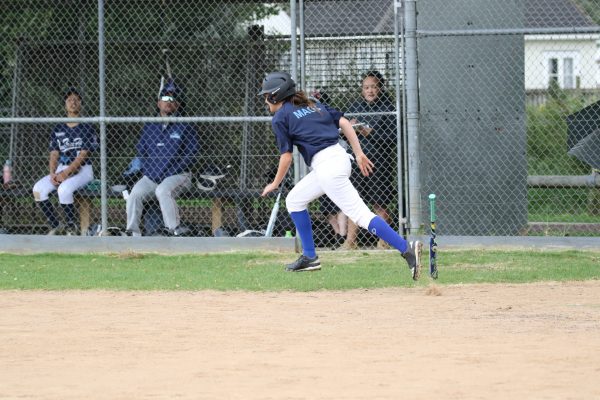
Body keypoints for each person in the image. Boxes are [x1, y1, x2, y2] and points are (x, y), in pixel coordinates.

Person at [259, 72, 421, 279]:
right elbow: (344, 123)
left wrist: (274, 183)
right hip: (338, 159)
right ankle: (310, 257)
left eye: (266, 96)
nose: (265, 100)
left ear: (275, 96)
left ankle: (407, 249)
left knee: (361, 215)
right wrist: (359, 153)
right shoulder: (313, 104)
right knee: (294, 200)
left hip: (328, 167)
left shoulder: (280, 117)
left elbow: (286, 157)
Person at [125, 79, 199, 236]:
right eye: (165, 98)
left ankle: (174, 230)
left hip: (178, 175)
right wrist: (150, 171)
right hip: (152, 175)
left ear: (178, 104)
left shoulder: (185, 125)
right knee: (135, 194)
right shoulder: (150, 126)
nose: (169, 102)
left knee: (163, 190)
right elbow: (142, 154)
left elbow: (191, 155)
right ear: (158, 103)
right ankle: (133, 233)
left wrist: (168, 172)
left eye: (173, 99)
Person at [342, 70, 399, 250]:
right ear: (362, 90)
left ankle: (384, 241)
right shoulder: (354, 108)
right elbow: (342, 135)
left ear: (380, 88)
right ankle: (350, 242)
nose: (370, 91)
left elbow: (393, 138)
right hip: (357, 161)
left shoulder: (388, 107)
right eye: (366, 87)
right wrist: (348, 129)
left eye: (373, 87)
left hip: (378, 162)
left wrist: (371, 133)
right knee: (354, 201)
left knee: (379, 202)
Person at [33, 87, 98, 235]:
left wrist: (65, 174)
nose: (73, 102)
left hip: (83, 170)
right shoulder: (58, 128)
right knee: (38, 189)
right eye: (69, 100)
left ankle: (71, 227)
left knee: (64, 190)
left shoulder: (87, 127)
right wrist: (52, 173)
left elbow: (83, 156)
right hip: (61, 168)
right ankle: (57, 226)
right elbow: (54, 154)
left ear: (80, 103)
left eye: (76, 100)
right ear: (65, 105)